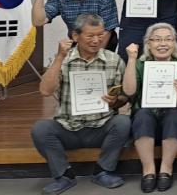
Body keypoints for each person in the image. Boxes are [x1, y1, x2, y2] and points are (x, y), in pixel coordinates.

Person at [31, 14, 130, 195]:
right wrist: (59, 57)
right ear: (75, 36)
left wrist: (115, 102)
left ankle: (103, 170)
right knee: (41, 129)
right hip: (68, 127)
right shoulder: (63, 59)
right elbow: (45, 91)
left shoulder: (114, 60)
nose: (96, 40)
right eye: (90, 35)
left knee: (123, 122)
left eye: (100, 35)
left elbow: (124, 96)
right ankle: (64, 175)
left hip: (101, 126)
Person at [122, 23, 177, 193]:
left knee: (175, 115)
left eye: (168, 39)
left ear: (174, 43)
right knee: (143, 115)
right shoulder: (141, 63)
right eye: (157, 40)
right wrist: (131, 60)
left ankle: (166, 169)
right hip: (145, 119)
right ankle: (148, 170)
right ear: (148, 43)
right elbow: (129, 91)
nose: (163, 44)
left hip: (173, 122)